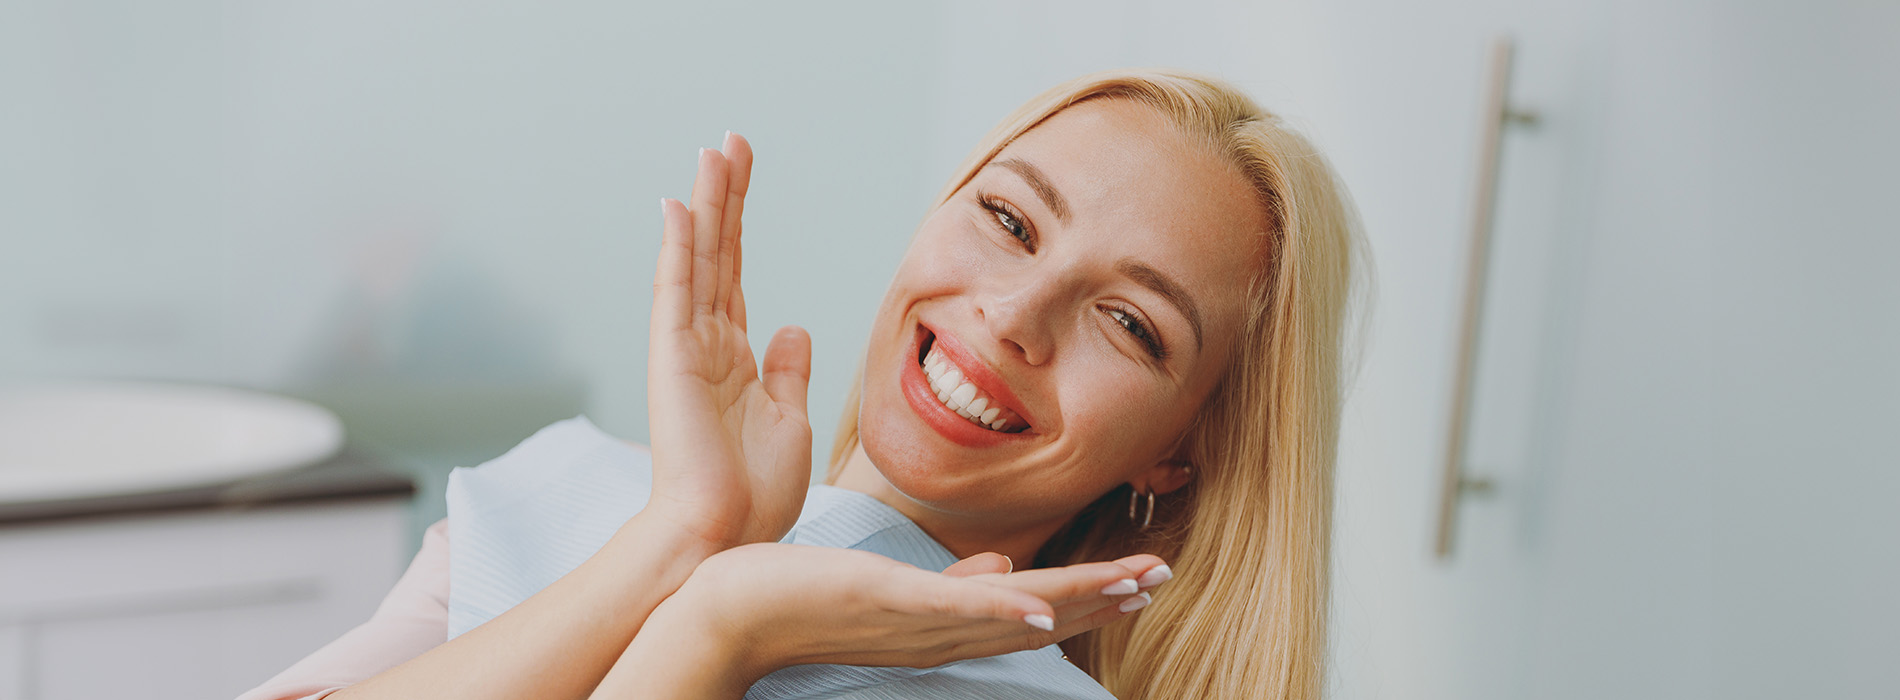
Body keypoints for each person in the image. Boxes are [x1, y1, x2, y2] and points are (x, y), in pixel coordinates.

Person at [238, 68, 1363, 700]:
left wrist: (726, 624)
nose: (1013, 317)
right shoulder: (564, 488)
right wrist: (685, 542)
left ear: (1180, 446)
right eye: (1008, 220)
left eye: (1127, 321)